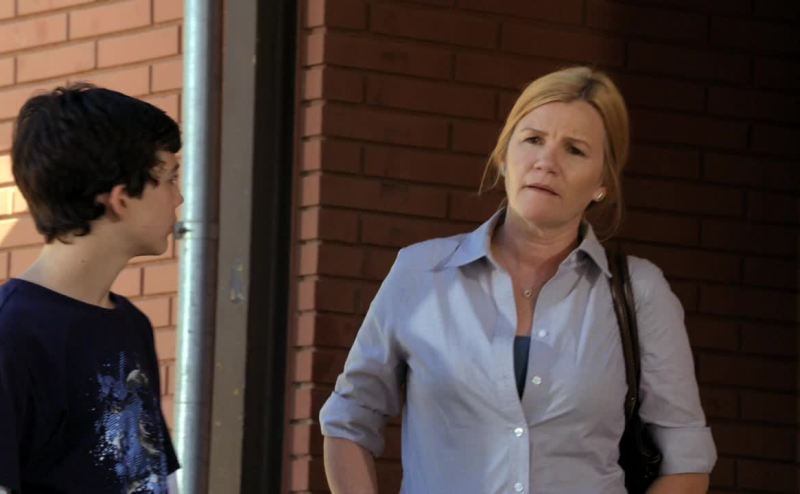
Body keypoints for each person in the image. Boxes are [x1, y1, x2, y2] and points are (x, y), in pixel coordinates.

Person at [320, 67, 716, 493]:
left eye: (574, 150)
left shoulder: (640, 293)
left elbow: (686, 459)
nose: (547, 162)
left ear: (603, 182)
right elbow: (348, 420)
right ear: (503, 155)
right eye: (533, 140)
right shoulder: (421, 273)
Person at [0, 84, 183, 493]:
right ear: (121, 198)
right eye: (170, 179)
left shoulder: (131, 324)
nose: (180, 197)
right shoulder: (11, 335)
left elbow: (153, 476)